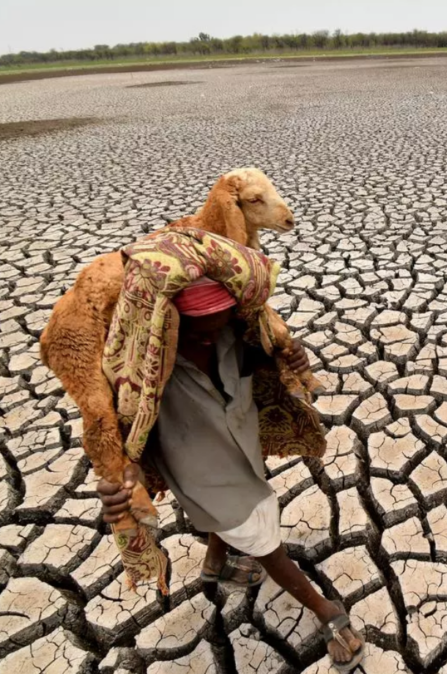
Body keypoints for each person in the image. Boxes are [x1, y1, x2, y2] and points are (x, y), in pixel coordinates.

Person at [95, 277, 364, 671]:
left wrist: (294, 359)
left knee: (232, 524)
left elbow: (260, 361)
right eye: (199, 332)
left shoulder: (228, 336)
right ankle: (326, 610)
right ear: (169, 325)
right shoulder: (146, 377)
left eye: (219, 326)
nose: (211, 339)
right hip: (201, 474)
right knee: (263, 541)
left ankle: (215, 565)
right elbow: (120, 439)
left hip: (242, 454)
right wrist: (120, 481)